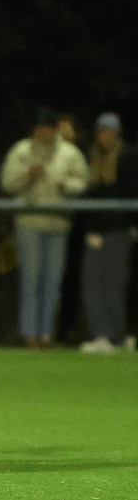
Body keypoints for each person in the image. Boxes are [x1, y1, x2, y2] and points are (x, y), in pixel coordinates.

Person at [0, 106, 89, 348]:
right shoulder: (22, 150)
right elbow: (7, 182)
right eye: (41, 127)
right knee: (31, 281)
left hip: (58, 222)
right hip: (29, 222)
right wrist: (28, 173)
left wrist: (65, 184)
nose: (45, 132)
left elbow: (82, 183)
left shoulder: (69, 153)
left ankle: (46, 334)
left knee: (52, 281)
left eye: (49, 127)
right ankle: (30, 334)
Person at [79, 113, 138, 353]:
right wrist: (91, 228)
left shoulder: (128, 157)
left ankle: (119, 335)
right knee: (92, 283)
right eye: (102, 131)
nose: (105, 136)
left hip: (119, 230)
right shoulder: (90, 158)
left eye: (110, 131)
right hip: (96, 232)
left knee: (115, 285)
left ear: (117, 133)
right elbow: (88, 196)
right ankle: (103, 334)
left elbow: (127, 193)